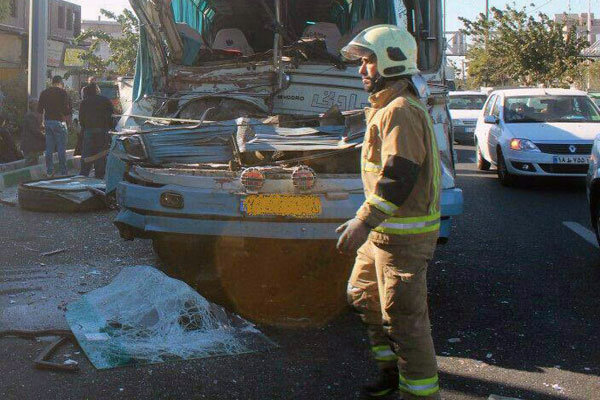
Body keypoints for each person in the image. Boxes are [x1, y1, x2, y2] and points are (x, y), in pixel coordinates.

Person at [337, 25, 442, 399]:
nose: (361, 70)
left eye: (367, 61)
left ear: (390, 61)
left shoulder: (399, 111)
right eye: (362, 62)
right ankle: (391, 374)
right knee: (363, 295)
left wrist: (362, 222)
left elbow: (399, 177)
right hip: (385, 234)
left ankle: (419, 392)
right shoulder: (386, 108)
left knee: (405, 322)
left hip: (403, 238)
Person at [78, 83, 114, 179]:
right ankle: (99, 175)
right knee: (101, 153)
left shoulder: (84, 102)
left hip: (88, 130)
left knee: (87, 152)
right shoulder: (105, 100)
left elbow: (81, 119)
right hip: (103, 130)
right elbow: (112, 116)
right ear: (97, 90)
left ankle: (84, 173)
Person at [38, 75, 72, 177]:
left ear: (52, 82)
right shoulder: (62, 93)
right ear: (60, 82)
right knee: (61, 148)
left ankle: (49, 171)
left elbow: (40, 111)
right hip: (59, 123)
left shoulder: (44, 93)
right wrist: (69, 124)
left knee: (49, 148)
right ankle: (63, 172)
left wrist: (41, 123)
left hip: (48, 122)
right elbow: (66, 110)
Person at [21, 97, 45, 166]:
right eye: (37, 104)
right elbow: (35, 130)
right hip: (30, 145)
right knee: (30, 163)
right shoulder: (30, 116)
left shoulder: (34, 115)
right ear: (34, 106)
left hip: (33, 145)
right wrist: (45, 137)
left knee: (34, 162)